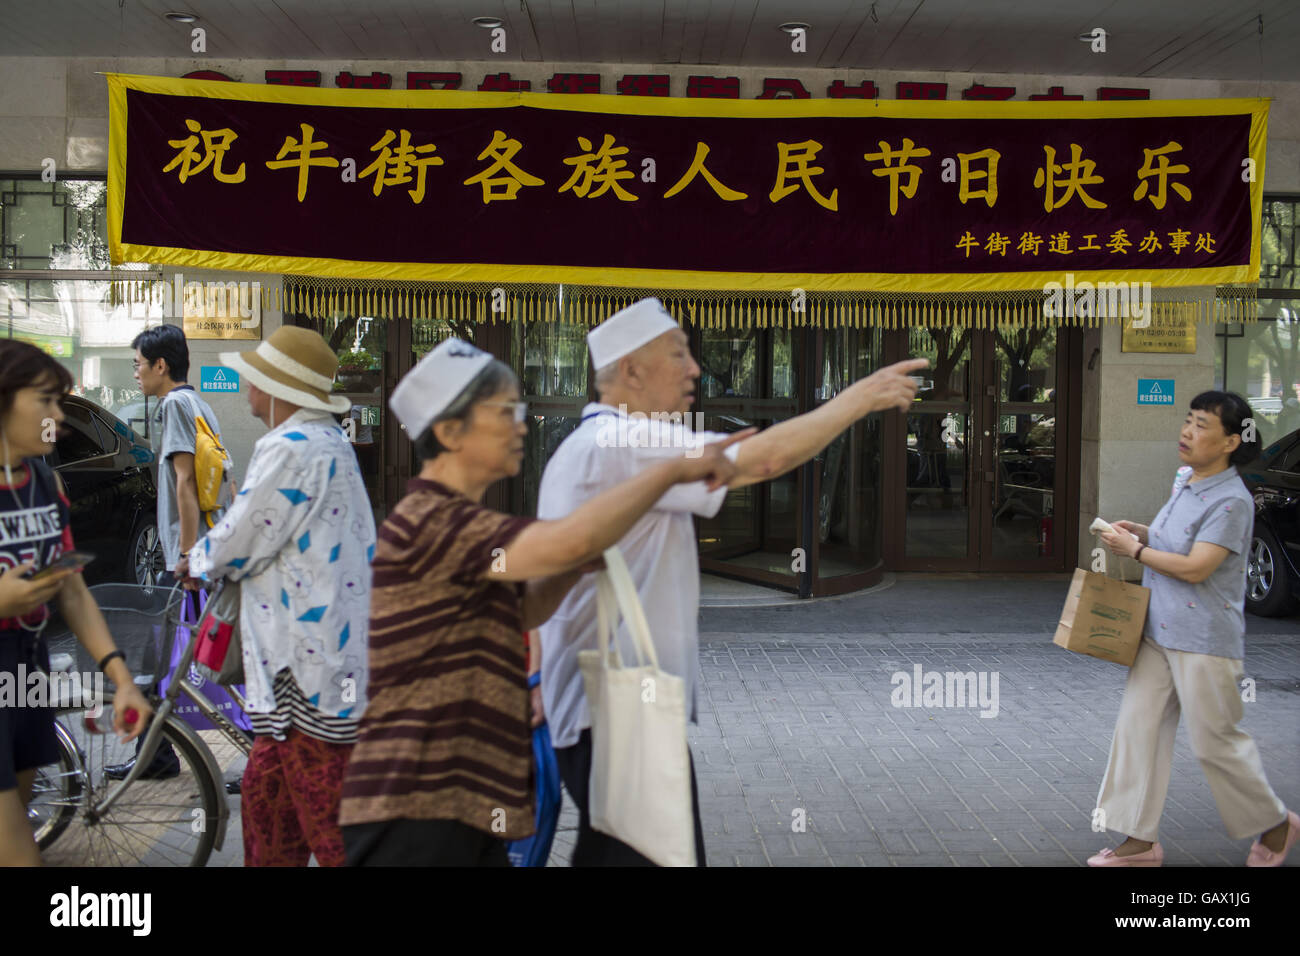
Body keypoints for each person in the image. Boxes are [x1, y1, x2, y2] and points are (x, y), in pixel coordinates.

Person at [538, 297, 927, 866]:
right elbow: (758, 461)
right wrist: (858, 399)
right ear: (631, 371)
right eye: (678, 354)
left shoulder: (608, 442)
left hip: (619, 710)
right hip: (616, 715)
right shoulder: (620, 441)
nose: (695, 368)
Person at [338, 338, 748, 866]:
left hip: (462, 800)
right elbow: (567, 541)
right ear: (449, 431)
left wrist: (570, 567)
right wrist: (670, 469)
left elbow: (524, 608)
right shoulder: (433, 522)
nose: (522, 425)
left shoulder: (464, 525)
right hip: (415, 808)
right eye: (506, 412)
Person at [179, 327, 373, 867]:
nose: (246, 389)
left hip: (302, 668)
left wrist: (194, 560)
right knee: (269, 815)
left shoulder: (290, 448)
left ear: (277, 389)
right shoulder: (328, 442)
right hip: (309, 664)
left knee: (331, 833)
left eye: (254, 379)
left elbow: (242, 537)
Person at [1093, 391, 1297, 867]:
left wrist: (1134, 551)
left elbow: (1197, 567)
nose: (1188, 431)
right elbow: (1175, 540)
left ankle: (1275, 824)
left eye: (1202, 425)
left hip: (1204, 641)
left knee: (1215, 743)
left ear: (1230, 441)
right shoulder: (1187, 481)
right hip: (1156, 634)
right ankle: (1139, 843)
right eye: (1188, 420)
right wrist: (1140, 532)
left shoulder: (1233, 502)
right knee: (1136, 733)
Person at [0, 340, 152, 865]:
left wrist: (121, 678)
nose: (57, 419)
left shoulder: (44, 479)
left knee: (16, 819)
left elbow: (71, 586)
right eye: (44, 401)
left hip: (26, 665)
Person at [107, 324, 240, 781]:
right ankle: (156, 755)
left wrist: (188, 558)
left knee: (170, 660)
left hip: (182, 561)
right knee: (172, 660)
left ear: (161, 365)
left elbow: (185, 482)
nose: (137, 373)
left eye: (139, 365)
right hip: (194, 554)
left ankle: (263, 751)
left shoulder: (176, 406)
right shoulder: (199, 404)